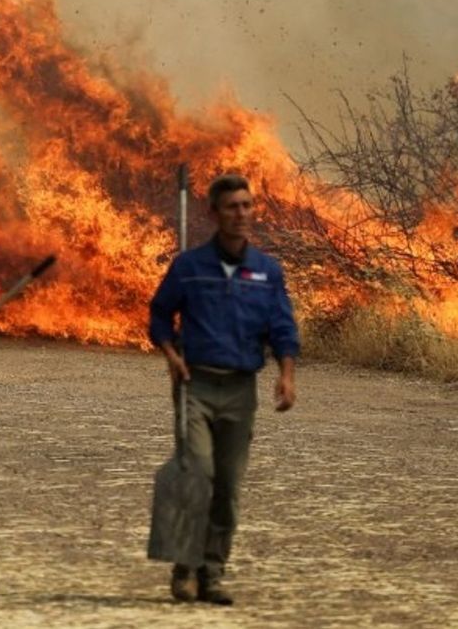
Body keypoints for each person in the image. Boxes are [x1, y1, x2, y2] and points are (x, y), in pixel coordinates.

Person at [147, 174, 299, 606]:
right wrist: (170, 354)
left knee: (228, 489)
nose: (242, 214)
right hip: (195, 384)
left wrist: (287, 375)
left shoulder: (266, 272)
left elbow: (282, 327)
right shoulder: (189, 267)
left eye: (248, 205)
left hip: (240, 390)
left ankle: (211, 574)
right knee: (197, 473)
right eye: (232, 206)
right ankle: (184, 570)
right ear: (214, 213)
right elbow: (159, 315)